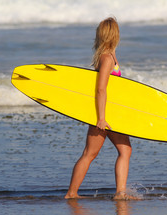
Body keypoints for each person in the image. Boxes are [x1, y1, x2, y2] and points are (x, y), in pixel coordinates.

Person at [65, 17, 134, 200]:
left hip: (108, 112)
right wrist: (101, 118)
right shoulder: (107, 58)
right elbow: (101, 88)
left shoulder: (108, 55)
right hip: (104, 114)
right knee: (90, 154)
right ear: (115, 34)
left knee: (122, 150)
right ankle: (71, 193)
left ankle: (120, 192)